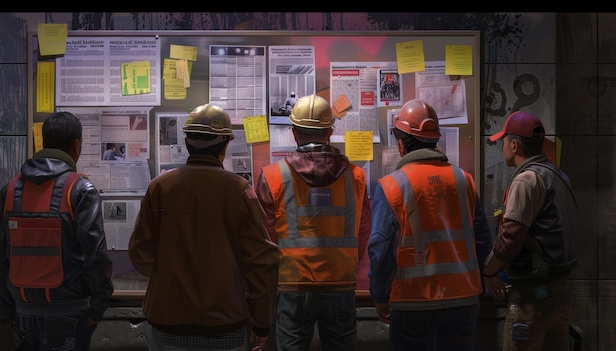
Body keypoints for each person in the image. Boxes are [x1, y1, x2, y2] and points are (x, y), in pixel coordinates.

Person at [128, 103, 280, 351]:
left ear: (187, 143)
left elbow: (140, 253)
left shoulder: (160, 188)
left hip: (168, 324)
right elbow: (262, 263)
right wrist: (262, 323)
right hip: (225, 326)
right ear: (225, 146)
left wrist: (172, 277)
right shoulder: (240, 191)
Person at [367, 99, 492, 351]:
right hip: (463, 300)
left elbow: (380, 248)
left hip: (414, 302)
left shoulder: (392, 186)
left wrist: (380, 295)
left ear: (401, 144)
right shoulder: (463, 180)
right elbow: (482, 240)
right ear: (436, 140)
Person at [256, 94, 371, 351]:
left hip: (292, 284)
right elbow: (363, 232)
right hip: (340, 283)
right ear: (330, 132)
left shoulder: (273, 176)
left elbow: (265, 238)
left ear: (294, 132)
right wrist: (345, 264)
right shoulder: (357, 177)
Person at [0, 111, 114, 350]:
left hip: (23, 314)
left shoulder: (10, 190)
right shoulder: (79, 190)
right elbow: (96, 257)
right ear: (76, 145)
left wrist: (12, 307)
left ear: (43, 142)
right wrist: (96, 311)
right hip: (71, 312)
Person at [482, 111, 578, 351]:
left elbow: (512, 237)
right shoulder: (558, 175)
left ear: (514, 145)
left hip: (533, 296)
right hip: (559, 289)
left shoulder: (527, 180)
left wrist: (489, 272)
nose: (502, 145)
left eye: (504, 141)